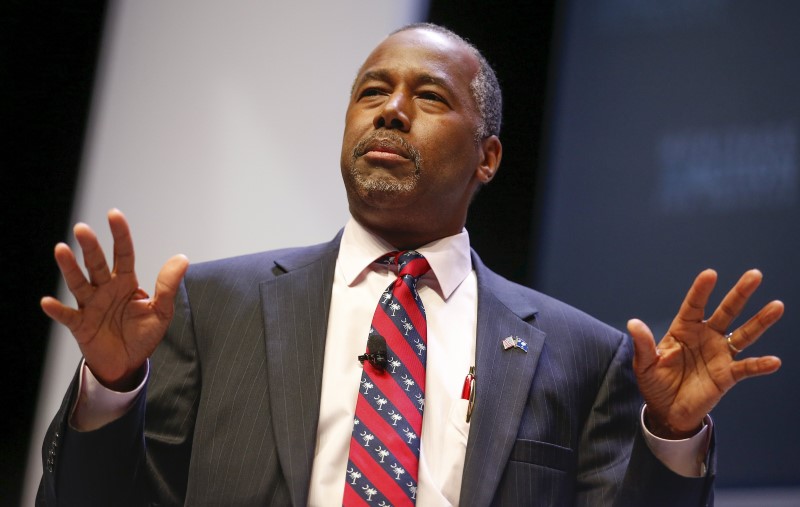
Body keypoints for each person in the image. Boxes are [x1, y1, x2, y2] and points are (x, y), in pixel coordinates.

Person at [37, 23, 783, 506]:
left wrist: (670, 437)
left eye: (427, 96)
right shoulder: (211, 307)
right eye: (371, 93)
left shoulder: (583, 354)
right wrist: (109, 389)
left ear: (488, 156)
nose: (390, 111)